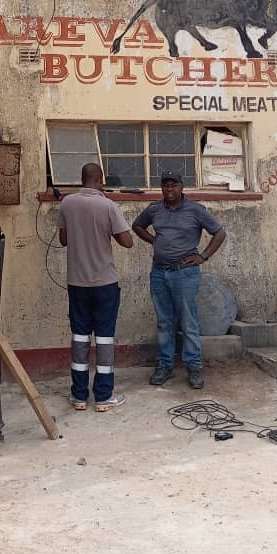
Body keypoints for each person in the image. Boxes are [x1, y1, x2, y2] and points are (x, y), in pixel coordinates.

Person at [132, 170, 227, 390]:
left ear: (182, 187)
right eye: (165, 185)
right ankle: (165, 366)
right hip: (159, 273)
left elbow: (220, 233)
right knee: (164, 322)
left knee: (188, 321)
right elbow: (137, 226)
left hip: (185, 274)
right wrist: (155, 241)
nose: (169, 189)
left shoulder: (195, 210)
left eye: (174, 185)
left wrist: (203, 256)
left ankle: (194, 366)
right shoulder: (155, 210)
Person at [58, 163, 133, 412]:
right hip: (104, 284)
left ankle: (79, 396)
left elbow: (63, 239)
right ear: (100, 179)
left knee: (79, 337)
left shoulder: (67, 203)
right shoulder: (109, 206)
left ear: (82, 179)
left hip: (76, 283)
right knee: (104, 338)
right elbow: (128, 242)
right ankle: (103, 396)